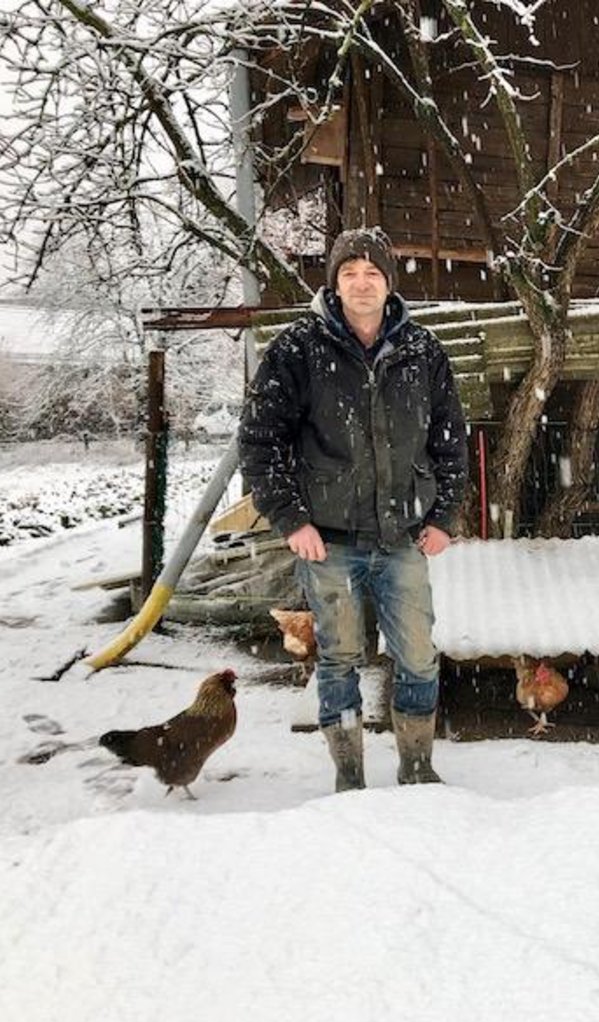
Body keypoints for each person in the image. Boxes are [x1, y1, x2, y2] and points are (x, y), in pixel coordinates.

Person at [239, 227, 468, 792]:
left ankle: (417, 768)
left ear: (389, 283)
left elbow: (450, 440)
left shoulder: (422, 350)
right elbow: (260, 441)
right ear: (334, 283)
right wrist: (292, 521)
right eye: (349, 273)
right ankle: (349, 776)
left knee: (417, 657)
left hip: (404, 538)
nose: (361, 284)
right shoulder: (297, 350)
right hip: (330, 541)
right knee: (339, 659)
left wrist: (444, 517)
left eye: (372, 273)